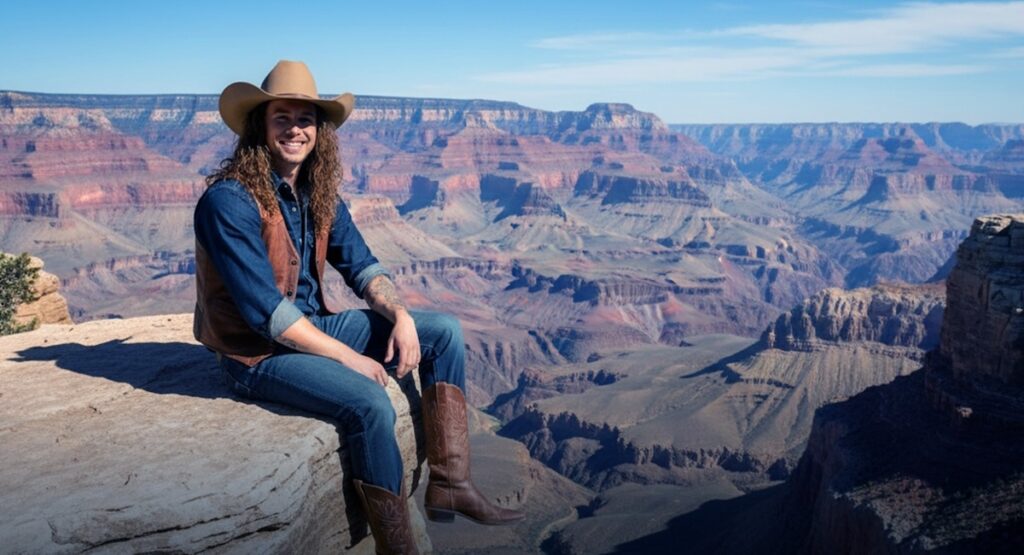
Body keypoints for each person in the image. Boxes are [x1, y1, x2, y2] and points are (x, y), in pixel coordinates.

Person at [193, 60, 524, 554]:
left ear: (318, 130)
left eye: (305, 119)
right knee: (368, 403)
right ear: (259, 126)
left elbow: (364, 267)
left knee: (445, 331)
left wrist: (402, 316)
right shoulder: (230, 202)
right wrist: (349, 358)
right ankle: (397, 548)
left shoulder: (317, 193)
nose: (295, 130)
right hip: (257, 354)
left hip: (314, 326)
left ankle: (451, 484)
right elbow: (267, 314)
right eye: (281, 117)